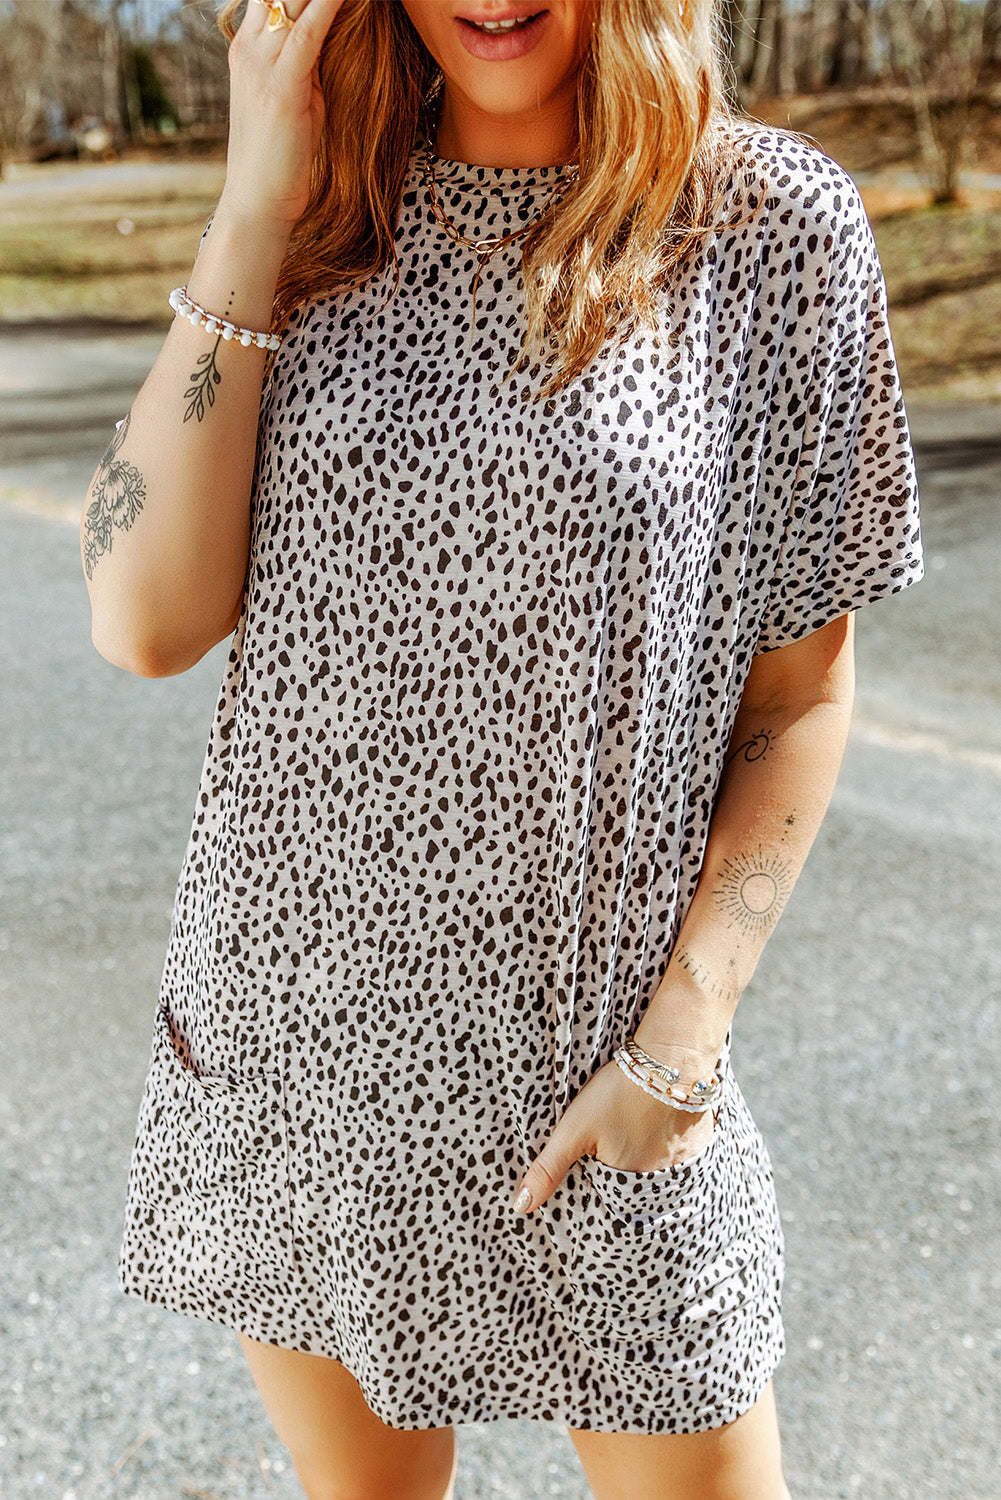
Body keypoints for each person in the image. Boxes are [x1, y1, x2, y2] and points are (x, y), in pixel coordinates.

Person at [82, 0, 925, 1495]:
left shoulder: (767, 227)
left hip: (601, 1082)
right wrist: (252, 206)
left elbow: (796, 699)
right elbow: (142, 615)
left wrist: (680, 1045)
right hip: (302, 1079)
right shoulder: (320, 213)